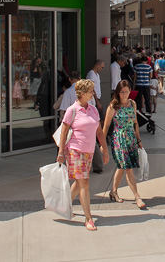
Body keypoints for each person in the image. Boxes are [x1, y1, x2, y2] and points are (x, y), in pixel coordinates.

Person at [56, 79, 109, 230]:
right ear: (82, 93)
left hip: (89, 151)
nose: (93, 93)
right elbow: (64, 131)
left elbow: (99, 131)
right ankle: (88, 218)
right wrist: (60, 152)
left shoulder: (92, 109)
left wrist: (104, 149)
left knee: (79, 183)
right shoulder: (72, 110)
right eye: (91, 91)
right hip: (74, 150)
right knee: (84, 182)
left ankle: (64, 205)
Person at [101, 80, 147, 209]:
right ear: (118, 92)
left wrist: (138, 140)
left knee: (122, 166)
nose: (124, 94)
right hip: (119, 139)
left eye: (127, 92)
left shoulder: (132, 104)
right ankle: (137, 196)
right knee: (128, 168)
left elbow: (135, 123)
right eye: (122, 92)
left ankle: (113, 191)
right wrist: (103, 144)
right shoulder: (113, 106)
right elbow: (106, 126)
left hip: (131, 138)